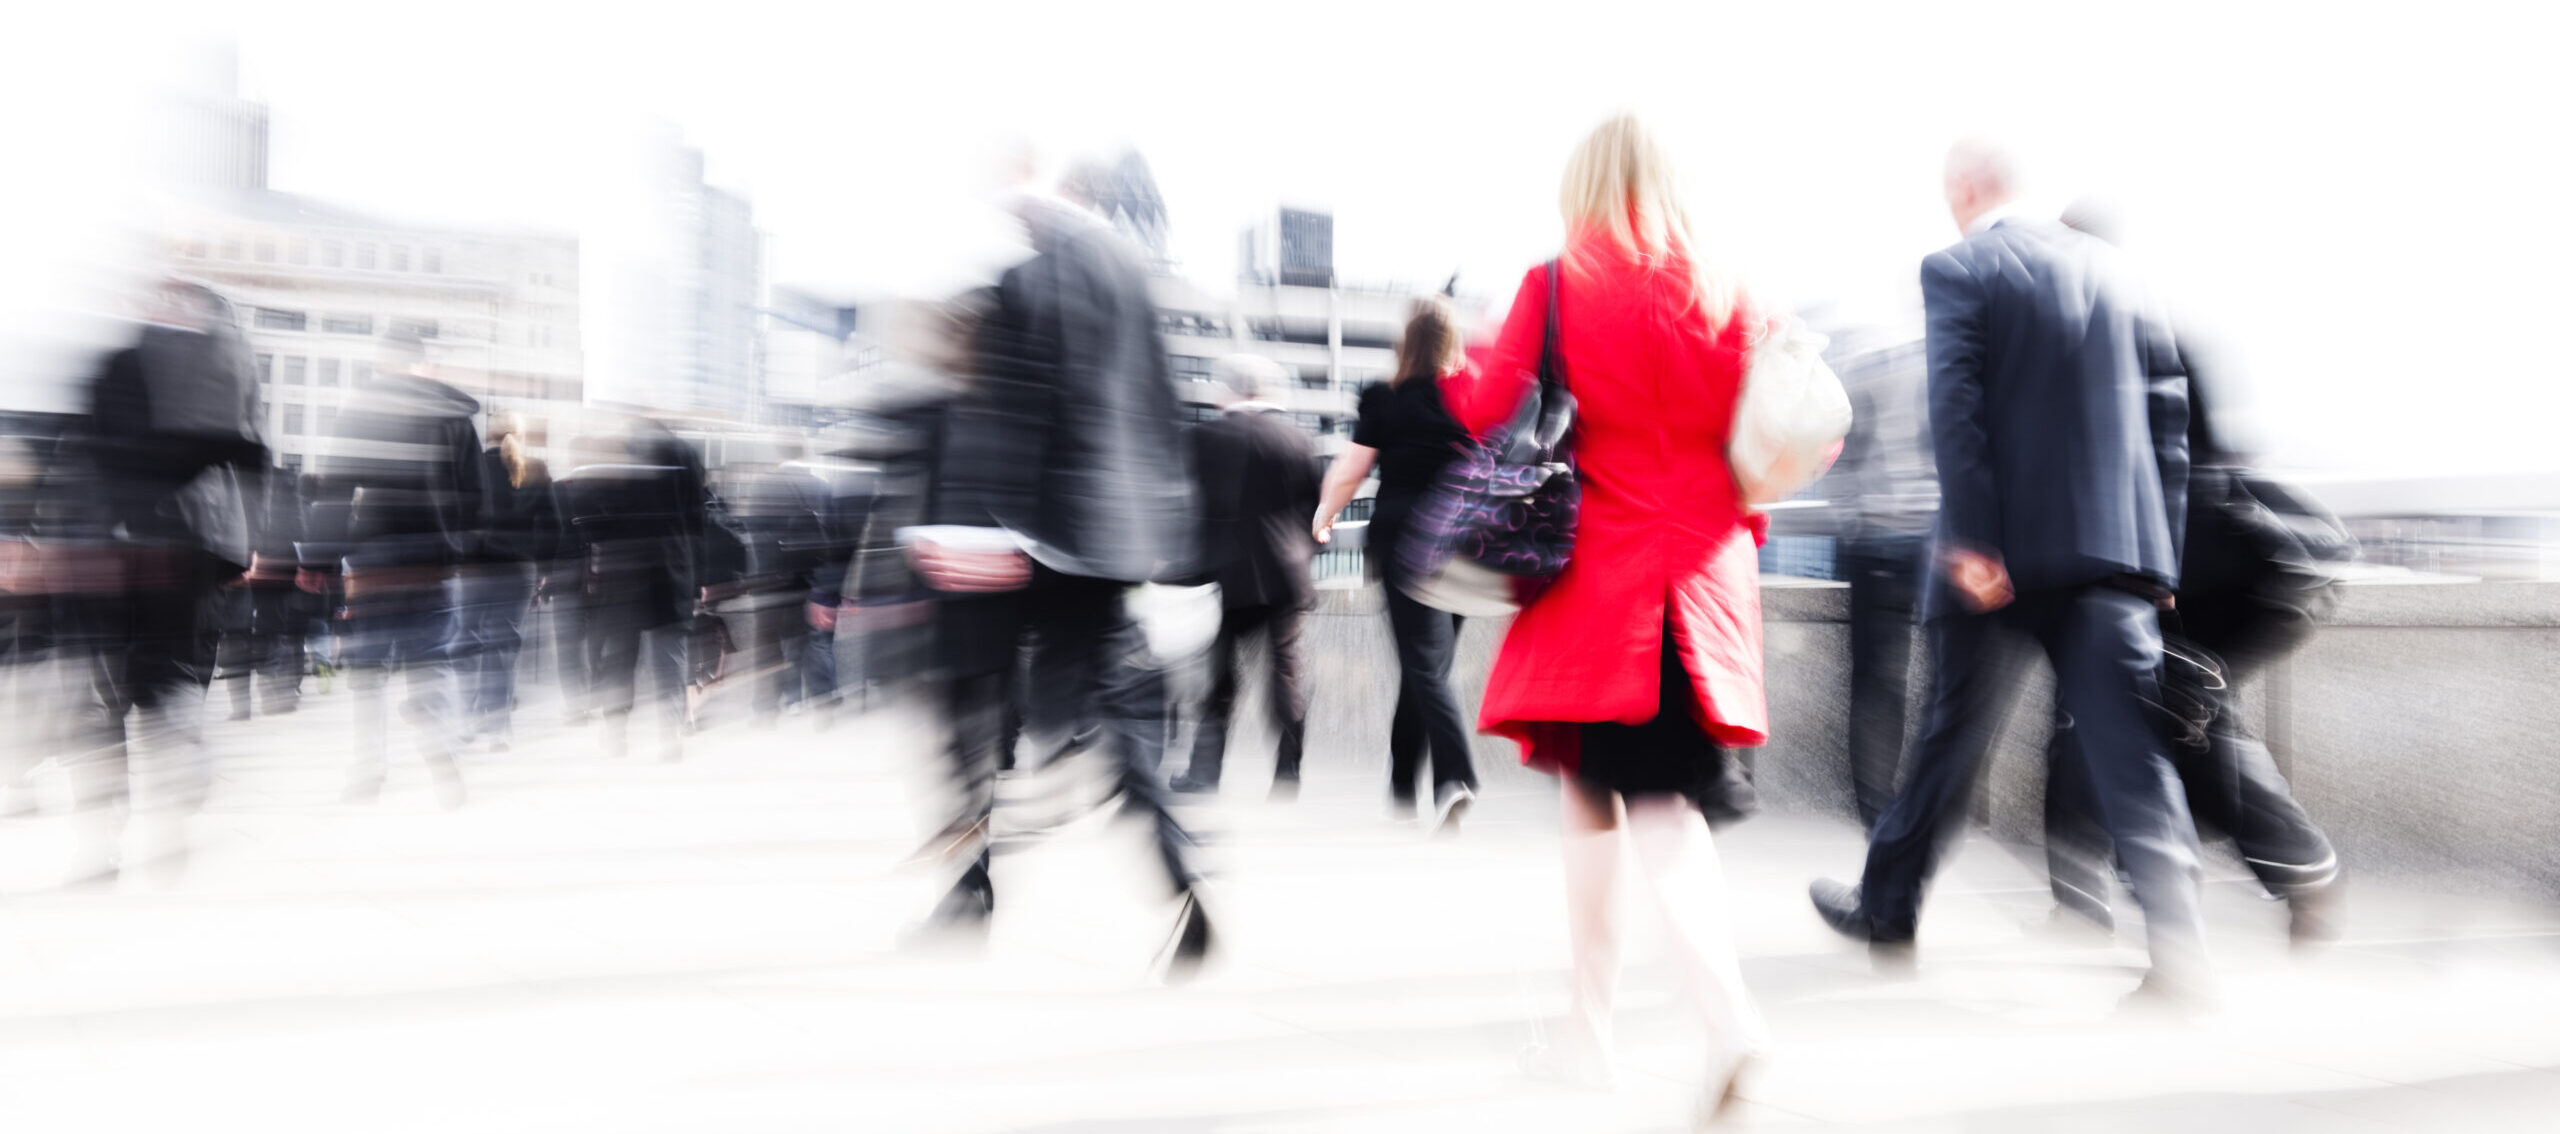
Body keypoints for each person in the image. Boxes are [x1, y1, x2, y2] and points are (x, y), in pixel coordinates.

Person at [1807, 139, 2212, 1005]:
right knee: (2132, 757)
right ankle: (2183, 954)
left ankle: (1888, 911)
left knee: (1950, 738)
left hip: (2004, 561)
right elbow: (2169, 419)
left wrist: (1977, 544)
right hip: (2114, 560)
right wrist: (2159, 561)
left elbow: (1958, 407)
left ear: (1962, 189)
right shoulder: (2119, 272)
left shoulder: (1961, 266)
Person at [1440, 114, 1771, 1121]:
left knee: (1652, 805)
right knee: (1606, 794)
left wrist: (1457, 357)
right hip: (1704, 580)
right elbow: (1773, 433)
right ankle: (1589, 1033)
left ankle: (1728, 1020)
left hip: (1607, 589)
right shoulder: (1728, 290)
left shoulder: (1556, 283)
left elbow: (1485, 407)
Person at [901, 153, 1211, 980]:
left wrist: (984, 530)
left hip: (1031, 537)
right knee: (1109, 712)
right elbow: (1161, 415)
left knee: (972, 710)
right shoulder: (1131, 278)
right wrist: (1159, 533)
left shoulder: (1027, 281)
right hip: (1114, 543)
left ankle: (971, 886)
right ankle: (1178, 875)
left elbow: (1010, 415)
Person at [2040, 201, 2345, 947]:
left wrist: (2152, 572)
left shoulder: (2135, 340)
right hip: (2183, 570)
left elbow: (2193, 471)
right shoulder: (2126, 335)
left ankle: (2294, 877)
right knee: (2153, 720)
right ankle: (2097, 897)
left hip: (2204, 577)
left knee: (2168, 721)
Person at [47, 280, 268, 880]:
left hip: (111, 548)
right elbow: (253, 461)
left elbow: (83, 451)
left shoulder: (123, 359)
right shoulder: (232, 367)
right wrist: (249, 545)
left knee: (103, 694)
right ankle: (181, 760)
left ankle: (100, 836)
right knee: (171, 674)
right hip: (192, 550)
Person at [1312, 296, 1482, 829]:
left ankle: (1453, 776)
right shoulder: (1473, 396)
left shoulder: (1387, 398)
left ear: (1406, 340)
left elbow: (1350, 470)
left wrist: (1324, 514)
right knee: (1429, 663)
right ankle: (1404, 780)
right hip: (1464, 544)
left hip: (1406, 541)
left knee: (1423, 663)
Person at [308, 330, 485, 808]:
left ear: (383, 364)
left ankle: (368, 767)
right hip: (432, 561)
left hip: (374, 559)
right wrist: (458, 549)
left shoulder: (362, 407)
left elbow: (335, 489)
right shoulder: (453, 416)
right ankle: (441, 752)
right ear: (423, 366)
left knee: (367, 669)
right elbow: (475, 498)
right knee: (430, 660)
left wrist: (320, 561)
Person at [1169, 354, 1320, 798]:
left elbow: (1184, 508)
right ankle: (1288, 772)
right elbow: (1314, 514)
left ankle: (1203, 773)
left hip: (1219, 575)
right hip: (1286, 573)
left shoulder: (1201, 437)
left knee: (1217, 677)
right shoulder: (1299, 440)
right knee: (1286, 672)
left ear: (1229, 391)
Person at [1827, 329, 1935, 829]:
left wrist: (1853, 514)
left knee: (1877, 681)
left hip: (1877, 539)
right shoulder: (1949, 355)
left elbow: (1836, 447)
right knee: (1948, 682)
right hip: (1936, 539)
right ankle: (1917, 802)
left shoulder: (1861, 360)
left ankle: (1876, 809)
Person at [460, 412, 557, 751]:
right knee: (503, 646)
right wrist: (541, 569)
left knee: (468, 643)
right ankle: (499, 727)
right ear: (520, 434)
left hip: (473, 570)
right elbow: (553, 528)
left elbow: (455, 518)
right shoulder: (537, 469)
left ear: (490, 435)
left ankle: (467, 719)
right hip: (517, 571)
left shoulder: (471, 468)